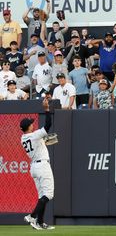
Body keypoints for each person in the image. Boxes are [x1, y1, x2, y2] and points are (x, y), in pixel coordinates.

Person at [20, 98, 55, 230]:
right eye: (30, 124)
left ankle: (39, 222)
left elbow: (36, 144)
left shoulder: (23, 138)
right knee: (48, 194)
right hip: (42, 166)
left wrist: (43, 143)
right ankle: (32, 216)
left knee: (42, 196)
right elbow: (48, 125)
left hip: (34, 167)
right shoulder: (34, 135)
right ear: (28, 127)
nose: (32, 124)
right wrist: (46, 110)